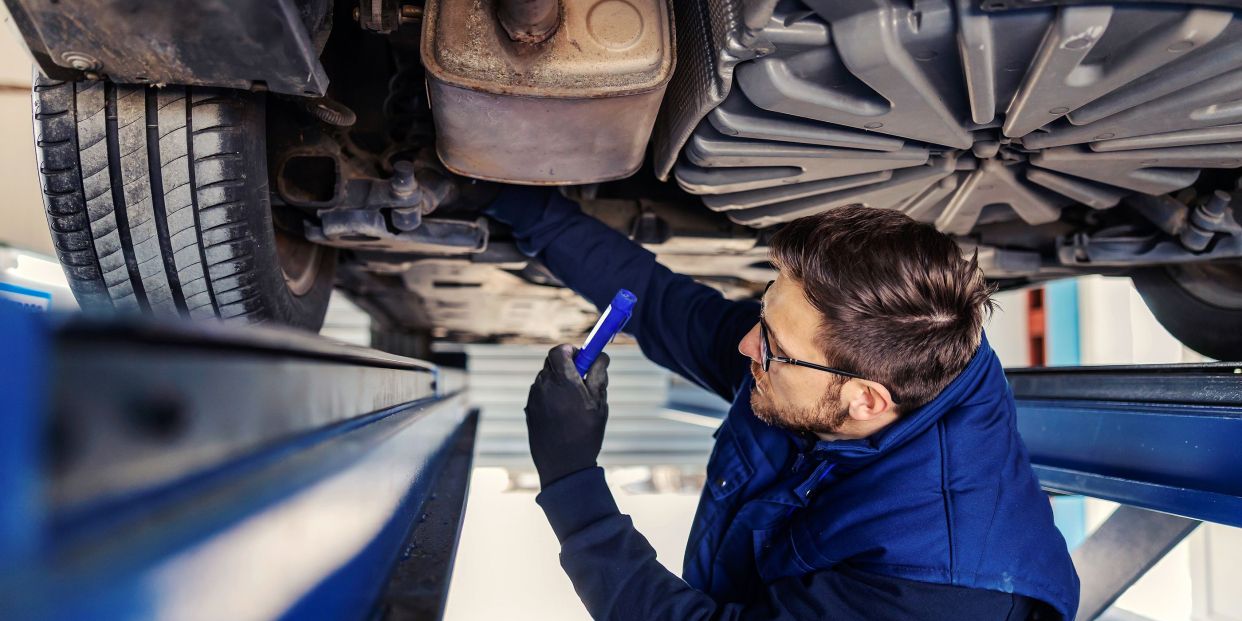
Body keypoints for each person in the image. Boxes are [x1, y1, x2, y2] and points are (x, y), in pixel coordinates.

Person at [487, 188, 1080, 620]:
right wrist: (526, 207)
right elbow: (671, 310)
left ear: (865, 402)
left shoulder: (934, 592)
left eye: (770, 345)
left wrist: (569, 477)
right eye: (764, 314)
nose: (747, 345)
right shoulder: (861, 360)